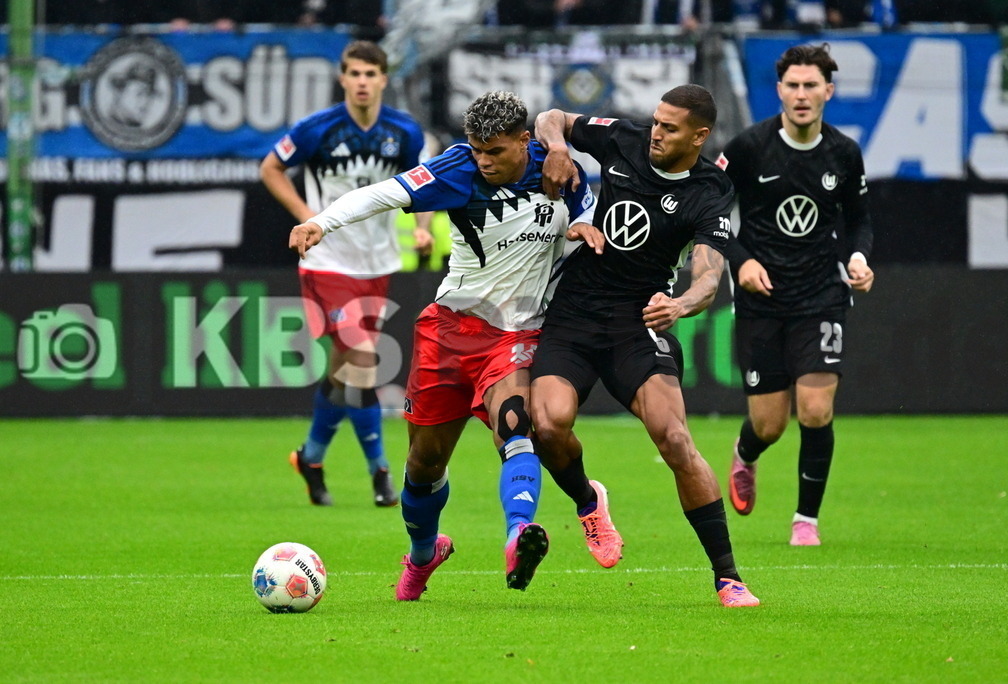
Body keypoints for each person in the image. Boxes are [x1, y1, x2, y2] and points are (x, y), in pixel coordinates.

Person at [288, 91, 598, 600]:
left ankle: (518, 534)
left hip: (517, 333)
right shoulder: (457, 170)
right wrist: (321, 222)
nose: (483, 160)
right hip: (450, 333)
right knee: (424, 465)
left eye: (494, 151)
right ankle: (425, 553)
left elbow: (591, 202)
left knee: (515, 426)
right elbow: (382, 193)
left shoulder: (559, 167)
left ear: (525, 140)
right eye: (476, 148)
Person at [532, 85, 760, 608]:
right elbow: (550, 117)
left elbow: (708, 273)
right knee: (547, 425)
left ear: (699, 136)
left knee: (675, 439)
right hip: (573, 314)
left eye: (670, 127)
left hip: (638, 321)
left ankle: (728, 577)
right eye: (656, 121)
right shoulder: (625, 137)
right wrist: (559, 148)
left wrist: (680, 305)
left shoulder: (711, 190)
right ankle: (590, 503)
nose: (656, 132)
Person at [261, 40, 434, 508]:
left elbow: (422, 182)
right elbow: (271, 167)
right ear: (342, 78)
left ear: (382, 80)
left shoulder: (404, 131)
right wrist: (306, 216)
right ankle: (380, 473)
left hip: (377, 263)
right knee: (361, 361)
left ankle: (311, 457)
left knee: (344, 372)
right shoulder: (317, 129)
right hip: (327, 261)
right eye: (354, 73)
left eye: (370, 74)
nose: (362, 81)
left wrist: (421, 228)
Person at [714, 43, 874, 547]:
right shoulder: (748, 148)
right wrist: (741, 262)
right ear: (779, 90)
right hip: (762, 298)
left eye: (811, 86)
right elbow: (713, 213)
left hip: (821, 294)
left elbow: (860, 219)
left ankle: (806, 520)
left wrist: (859, 257)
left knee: (816, 410)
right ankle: (747, 454)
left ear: (828, 90)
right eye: (793, 85)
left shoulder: (843, 152)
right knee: (770, 423)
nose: (802, 95)